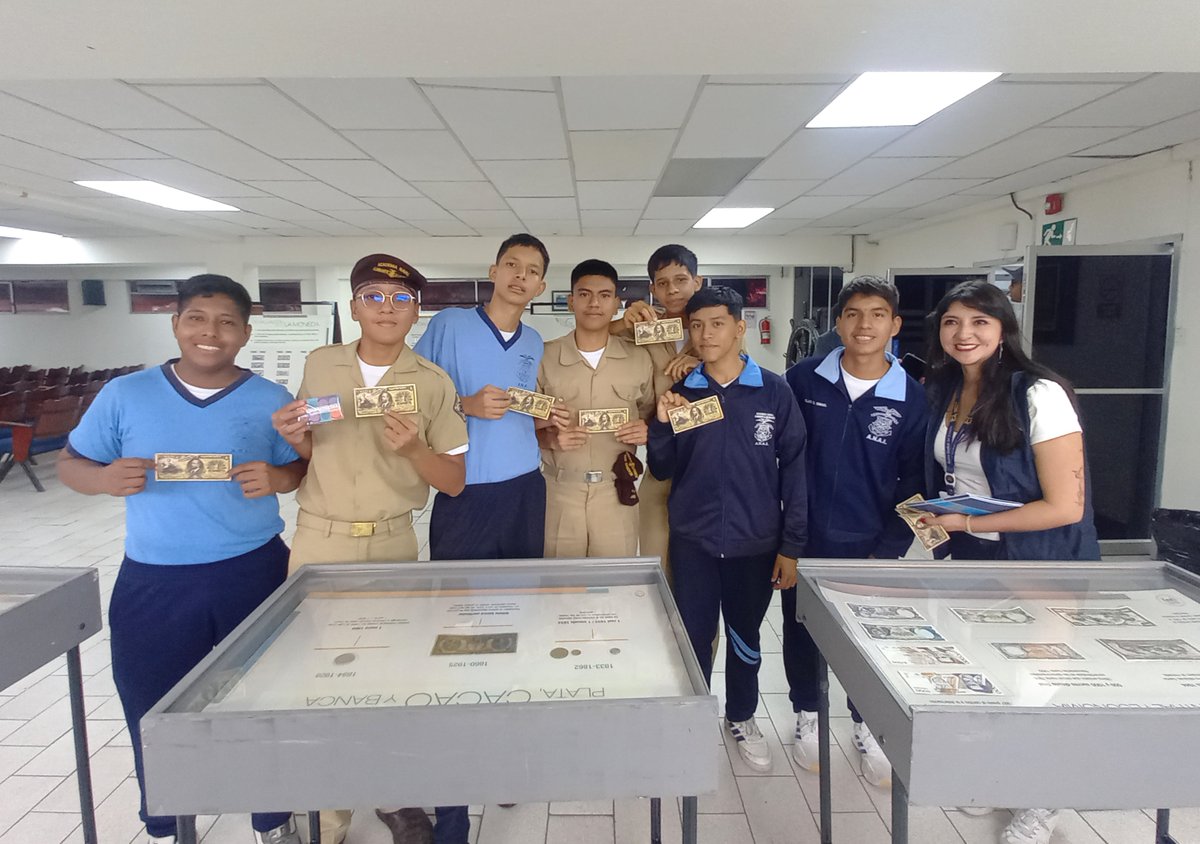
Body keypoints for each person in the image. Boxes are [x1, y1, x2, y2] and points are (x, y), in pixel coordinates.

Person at [57, 275, 307, 844]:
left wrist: (279, 476)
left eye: (225, 322)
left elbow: (302, 469)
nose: (210, 333)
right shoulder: (126, 395)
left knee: (265, 700)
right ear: (175, 324)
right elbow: (72, 463)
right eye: (197, 318)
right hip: (153, 580)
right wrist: (100, 479)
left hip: (254, 571)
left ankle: (273, 820)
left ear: (246, 332)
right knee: (154, 706)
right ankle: (169, 822)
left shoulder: (271, 399)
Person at [272, 253, 468, 844]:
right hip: (319, 539)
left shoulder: (431, 382)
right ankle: (328, 817)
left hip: (391, 542)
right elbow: (309, 455)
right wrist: (295, 436)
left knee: (389, 674)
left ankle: (391, 793)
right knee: (316, 679)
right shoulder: (320, 363)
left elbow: (454, 481)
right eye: (374, 296)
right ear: (354, 306)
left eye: (401, 298)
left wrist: (412, 452)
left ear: (417, 311)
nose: (387, 307)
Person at [917, 279, 1099, 844]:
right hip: (972, 559)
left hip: (1041, 562)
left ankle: (1041, 804)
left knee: (1035, 684)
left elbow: (1065, 506)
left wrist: (969, 522)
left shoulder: (1039, 394)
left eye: (979, 323)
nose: (963, 334)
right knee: (987, 676)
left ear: (1002, 330)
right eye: (952, 323)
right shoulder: (945, 389)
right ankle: (1001, 779)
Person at [647, 286, 807, 773]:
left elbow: (796, 469)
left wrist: (791, 546)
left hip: (754, 543)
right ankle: (691, 717)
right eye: (696, 325)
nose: (706, 334)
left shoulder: (774, 390)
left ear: (740, 327)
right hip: (693, 540)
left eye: (717, 323)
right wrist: (660, 423)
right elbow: (660, 468)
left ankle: (741, 716)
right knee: (694, 636)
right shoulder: (683, 391)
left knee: (745, 638)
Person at [783, 276, 927, 788]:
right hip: (802, 537)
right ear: (838, 321)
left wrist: (888, 550)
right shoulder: (802, 379)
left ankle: (868, 725)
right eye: (853, 314)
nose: (864, 325)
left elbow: (915, 484)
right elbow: (782, 458)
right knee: (801, 631)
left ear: (894, 325)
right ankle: (808, 714)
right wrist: (787, 538)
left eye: (877, 315)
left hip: (869, 542)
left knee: (870, 641)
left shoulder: (911, 398)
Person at [414, 233, 550, 566]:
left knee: (520, 595)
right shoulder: (450, 324)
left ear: (540, 287)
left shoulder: (534, 341)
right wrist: (466, 405)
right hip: (467, 486)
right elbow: (412, 398)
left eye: (532, 271)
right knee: (459, 601)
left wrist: (546, 416)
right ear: (494, 272)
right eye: (512, 265)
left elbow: (523, 408)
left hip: (526, 485)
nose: (520, 276)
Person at [537, 259, 656, 557]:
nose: (594, 303)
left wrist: (650, 429)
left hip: (616, 493)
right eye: (585, 294)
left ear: (616, 303)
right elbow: (521, 424)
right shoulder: (544, 357)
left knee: (616, 592)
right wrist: (549, 438)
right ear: (570, 301)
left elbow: (654, 415)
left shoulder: (639, 359)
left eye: (604, 295)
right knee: (560, 590)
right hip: (559, 494)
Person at [610, 244, 704, 579]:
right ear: (652, 289)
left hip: (708, 465)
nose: (673, 289)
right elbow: (592, 338)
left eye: (681, 279)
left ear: (698, 282)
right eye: (662, 283)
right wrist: (622, 322)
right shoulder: (647, 332)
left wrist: (703, 365)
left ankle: (702, 635)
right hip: (660, 466)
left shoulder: (718, 330)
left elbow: (736, 386)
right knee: (656, 568)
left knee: (697, 576)